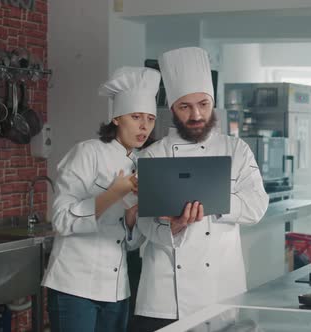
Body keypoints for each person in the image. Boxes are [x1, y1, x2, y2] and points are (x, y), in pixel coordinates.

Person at [129, 47, 269, 332]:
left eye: (203, 104)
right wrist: (176, 225)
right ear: (172, 110)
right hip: (166, 297)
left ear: (212, 104)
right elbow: (144, 224)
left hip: (221, 291)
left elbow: (256, 206)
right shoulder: (152, 156)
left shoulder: (236, 150)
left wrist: (214, 199)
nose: (196, 114)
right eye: (185, 107)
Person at [42, 67, 161, 332]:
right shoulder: (88, 152)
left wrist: (131, 222)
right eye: (136, 117)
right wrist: (112, 194)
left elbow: (130, 243)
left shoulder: (143, 163)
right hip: (75, 285)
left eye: (151, 119)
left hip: (117, 289)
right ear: (117, 118)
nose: (144, 126)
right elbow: (61, 220)